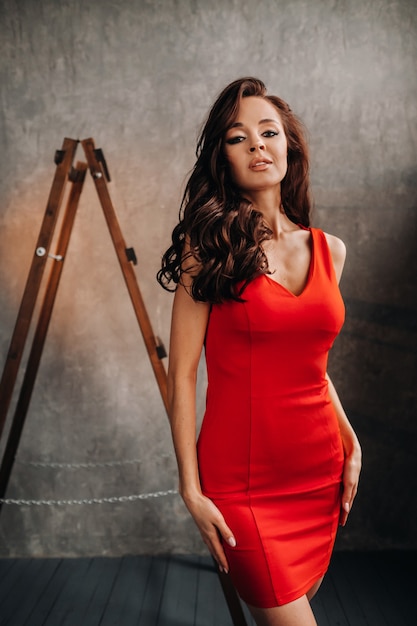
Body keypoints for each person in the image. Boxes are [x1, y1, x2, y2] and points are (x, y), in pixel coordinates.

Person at [157, 77, 361, 626]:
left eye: (268, 132)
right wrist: (189, 488)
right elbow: (182, 378)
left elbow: (309, 364)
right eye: (237, 137)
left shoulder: (329, 251)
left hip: (318, 472)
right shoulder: (209, 249)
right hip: (243, 485)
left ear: (289, 146)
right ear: (222, 159)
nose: (257, 145)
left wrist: (349, 437)